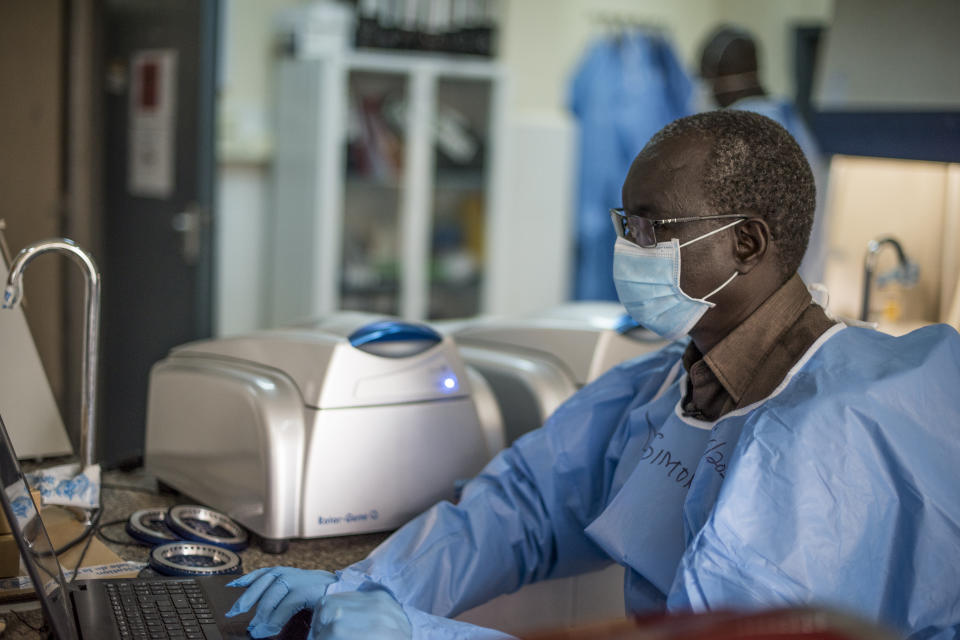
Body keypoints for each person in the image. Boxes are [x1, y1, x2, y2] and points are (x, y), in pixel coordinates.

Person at [226, 110, 960, 639]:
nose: (627, 248)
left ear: (746, 243)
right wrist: (362, 586)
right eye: (623, 223)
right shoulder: (669, 383)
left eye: (651, 228)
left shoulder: (834, 441)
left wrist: (420, 636)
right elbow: (525, 507)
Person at [699, 25, 830, 285]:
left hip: (760, 297)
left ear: (718, 75)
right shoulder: (790, 119)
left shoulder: (737, 131)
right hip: (801, 287)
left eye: (703, 77)